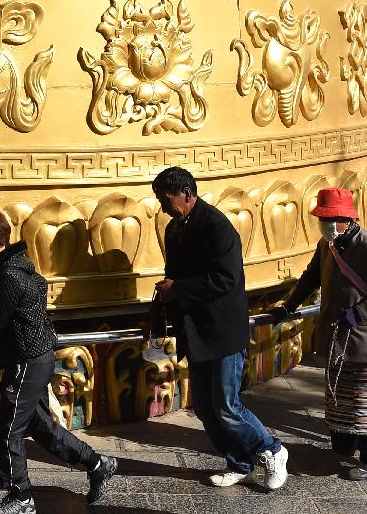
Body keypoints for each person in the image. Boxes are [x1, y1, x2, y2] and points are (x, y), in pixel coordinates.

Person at [0, 210, 117, 514]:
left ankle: (21, 497)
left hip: (26, 360)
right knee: (39, 426)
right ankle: (98, 464)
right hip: (32, 358)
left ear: (0, 239)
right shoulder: (8, 264)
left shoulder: (9, 274)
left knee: (8, 431)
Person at [152, 166, 289, 490]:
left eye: (166, 199)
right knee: (203, 406)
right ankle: (238, 461)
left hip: (223, 331)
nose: (162, 207)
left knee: (227, 406)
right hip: (195, 332)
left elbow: (225, 280)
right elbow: (175, 277)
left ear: (186, 193)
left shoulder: (217, 227)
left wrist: (179, 288)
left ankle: (271, 449)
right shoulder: (174, 230)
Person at [267, 187, 367, 480]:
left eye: (331, 219)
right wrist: (288, 307)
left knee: (363, 401)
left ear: (346, 220)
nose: (325, 224)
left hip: (360, 337)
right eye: (323, 219)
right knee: (340, 398)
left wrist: (356, 314)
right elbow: (310, 277)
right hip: (336, 338)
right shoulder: (328, 245)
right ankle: (344, 447)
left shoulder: (364, 246)